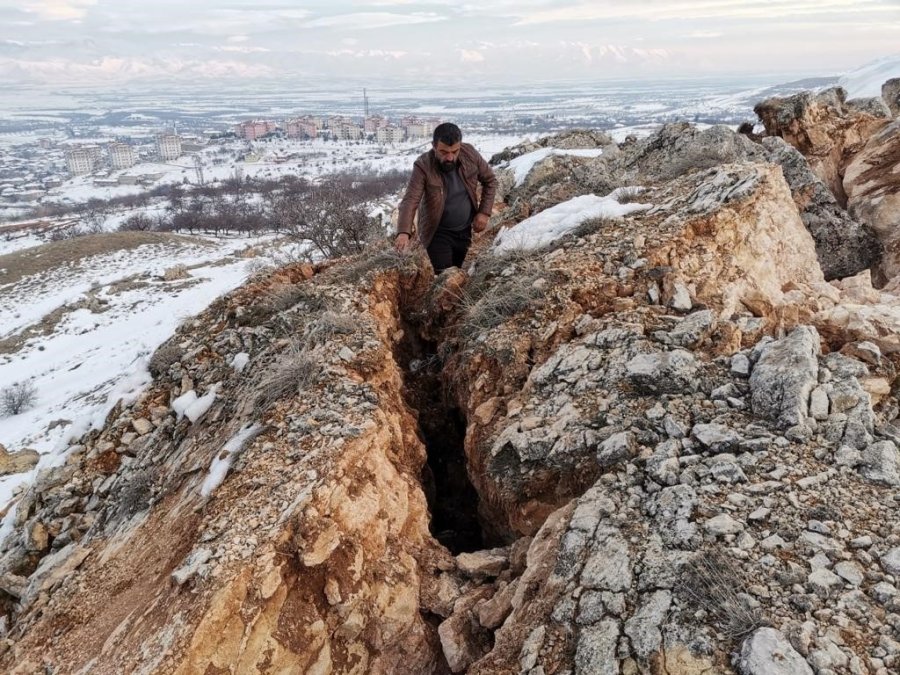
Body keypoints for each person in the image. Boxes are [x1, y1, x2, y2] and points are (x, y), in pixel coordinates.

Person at [394, 123, 497, 273]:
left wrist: (484, 213)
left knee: (457, 269)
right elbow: (411, 199)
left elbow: (490, 181)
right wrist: (403, 232)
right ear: (434, 146)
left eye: (454, 151)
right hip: (437, 232)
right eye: (443, 152)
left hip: (464, 230)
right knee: (444, 276)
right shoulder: (423, 165)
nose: (450, 157)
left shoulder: (470, 154)